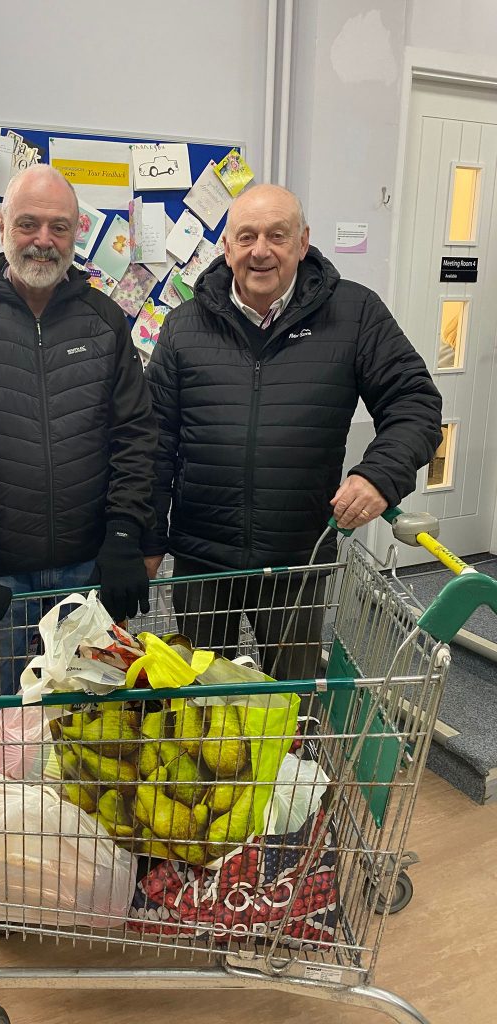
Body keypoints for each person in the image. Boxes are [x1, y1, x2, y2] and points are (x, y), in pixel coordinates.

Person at [0, 164, 156, 940]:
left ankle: (92, 874)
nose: (43, 239)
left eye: (59, 226)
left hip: (86, 573)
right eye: (28, 224)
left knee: (88, 730)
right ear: (1, 230)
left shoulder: (106, 322)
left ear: (77, 235)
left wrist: (125, 535)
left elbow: (135, 438)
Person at [144, 184, 442, 678]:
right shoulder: (183, 326)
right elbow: (155, 443)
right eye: (246, 237)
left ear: (303, 243)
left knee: (290, 701)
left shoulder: (356, 314)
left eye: (277, 236)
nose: (260, 250)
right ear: (227, 247)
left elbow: (415, 401)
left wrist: (379, 475)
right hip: (203, 562)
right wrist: (149, 539)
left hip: (297, 561)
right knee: (202, 702)